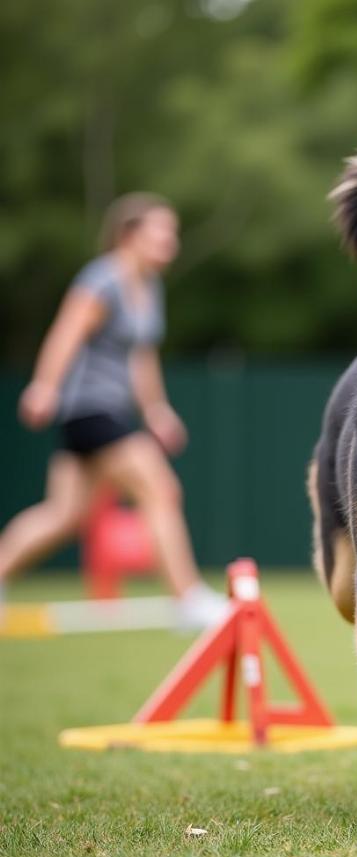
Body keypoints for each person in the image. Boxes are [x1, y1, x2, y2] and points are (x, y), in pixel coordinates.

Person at [0, 193, 225, 629]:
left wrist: (157, 410)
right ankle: (187, 598)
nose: (170, 242)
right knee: (160, 489)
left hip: (109, 410)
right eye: (161, 231)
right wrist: (44, 387)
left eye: (172, 233)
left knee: (64, 515)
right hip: (89, 408)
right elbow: (66, 332)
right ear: (128, 235)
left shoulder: (148, 287)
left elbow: (139, 358)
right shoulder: (103, 279)